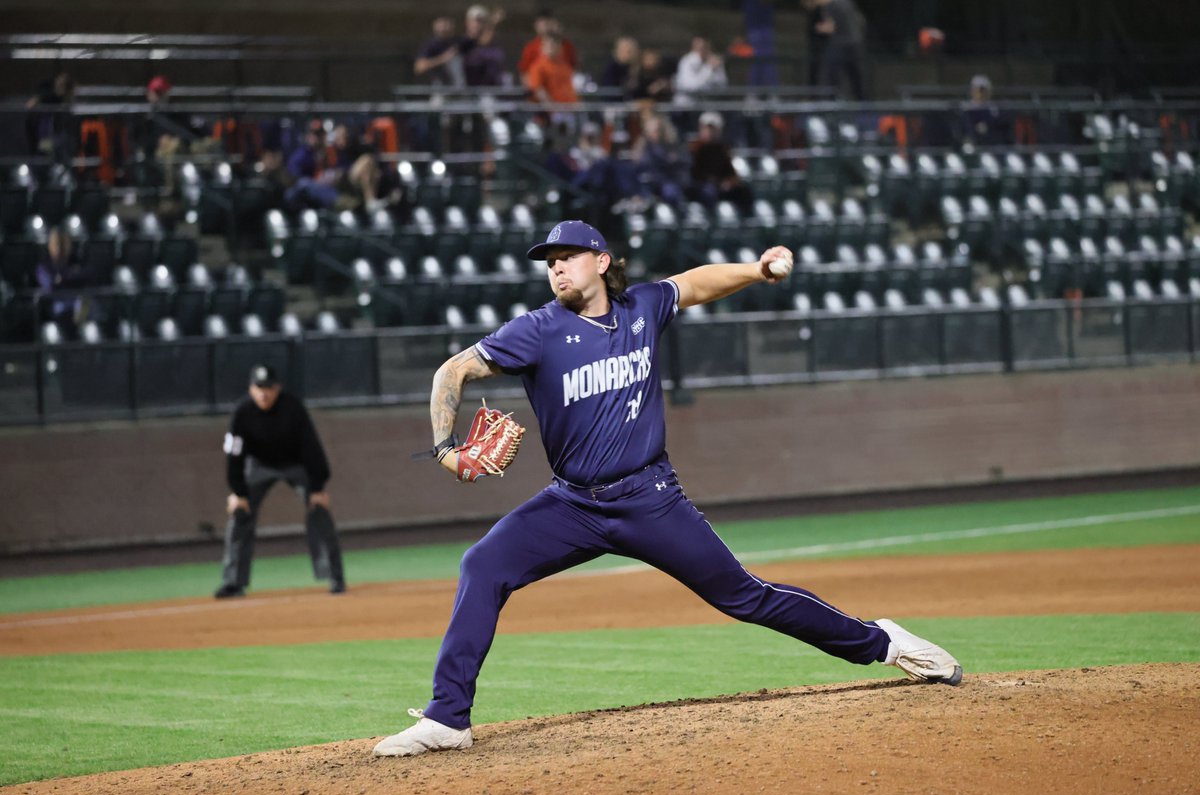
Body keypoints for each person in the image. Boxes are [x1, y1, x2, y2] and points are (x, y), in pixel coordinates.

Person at [371, 220, 963, 757]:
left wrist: (756, 272)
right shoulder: (536, 331)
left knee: (746, 597)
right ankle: (449, 718)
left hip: (650, 499)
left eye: (568, 256)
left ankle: (883, 644)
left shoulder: (643, 307)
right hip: (571, 503)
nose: (555, 267)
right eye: (548, 260)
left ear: (601, 261)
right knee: (483, 565)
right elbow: (451, 370)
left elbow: (699, 283)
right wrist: (446, 448)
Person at [215, 364, 346, 599]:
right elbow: (234, 456)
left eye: (268, 388)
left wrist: (317, 488)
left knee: (318, 509)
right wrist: (238, 493)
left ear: (278, 388)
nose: (264, 393)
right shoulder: (241, 413)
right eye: (259, 388)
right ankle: (233, 582)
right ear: (250, 389)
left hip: (294, 464)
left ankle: (335, 576)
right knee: (240, 515)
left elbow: (312, 448)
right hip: (258, 466)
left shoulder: (292, 408)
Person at [688, 110, 754, 214]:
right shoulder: (694, 148)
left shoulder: (722, 149)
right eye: (707, 128)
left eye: (713, 129)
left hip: (719, 186)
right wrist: (711, 181)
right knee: (709, 191)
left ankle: (747, 221)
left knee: (744, 192)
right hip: (701, 186)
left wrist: (729, 182)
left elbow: (731, 172)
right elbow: (693, 174)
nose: (709, 132)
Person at [805, 0, 866, 100]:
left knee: (830, 77)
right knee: (856, 77)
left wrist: (818, 28)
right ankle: (862, 102)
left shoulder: (830, 6)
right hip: (856, 42)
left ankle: (833, 101)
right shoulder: (847, 3)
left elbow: (830, 28)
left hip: (839, 43)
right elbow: (861, 20)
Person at [517, 9, 578, 78]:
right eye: (541, 25)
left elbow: (573, 69)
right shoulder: (531, 47)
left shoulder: (567, 46)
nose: (545, 27)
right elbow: (525, 72)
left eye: (547, 24)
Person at [523, 34, 578, 104]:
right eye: (550, 46)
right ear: (542, 48)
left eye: (556, 46)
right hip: (553, 110)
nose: (553, 49)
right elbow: (537, 89)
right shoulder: (538, 66)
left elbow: (570, 86)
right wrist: (552, 108)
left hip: (570, 108)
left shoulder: (564, 65)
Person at [414, 16, 467, 88]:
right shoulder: (430, 45)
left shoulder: (460, 42)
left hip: (461, 88)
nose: (443, 29)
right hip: (441, 89)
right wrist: (443, 59)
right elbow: (419, 67)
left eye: (445, 25)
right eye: (440, 26)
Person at [673, 36, 728, 104]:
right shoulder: (686, 61)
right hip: (686, 106)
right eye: (700, 48)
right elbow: (691, 87)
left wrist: (716, 69)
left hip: (708, 104)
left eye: (705, 47)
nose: (703, 51)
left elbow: (722, 86)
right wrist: (709, 69)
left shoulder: (714, 60)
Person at [599, 35, 640, 100]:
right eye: (624, 50)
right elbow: (610, 93)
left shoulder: (639, 68)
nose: (627, 53)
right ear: (616, 51)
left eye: (630, 50)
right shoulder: (611, 70)